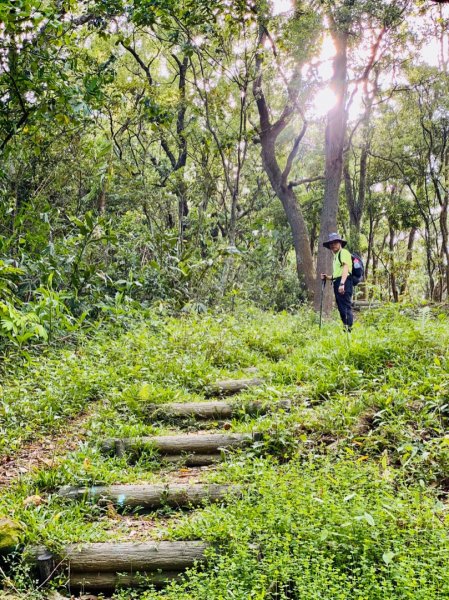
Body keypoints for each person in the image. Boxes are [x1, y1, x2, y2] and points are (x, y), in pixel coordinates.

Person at [320, 232, 353, 331]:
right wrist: (328, 277)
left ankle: (349, 330)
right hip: (338, 281)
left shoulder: (344, 253)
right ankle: (346, 328)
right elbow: (337, 274)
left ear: (340, 243)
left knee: (345, 306)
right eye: (331, 243)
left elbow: (346, 268)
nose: (333, 245)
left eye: (335, 242)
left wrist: (342, 283)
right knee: (341, 307)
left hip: (345, 282)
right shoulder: (336, 256)